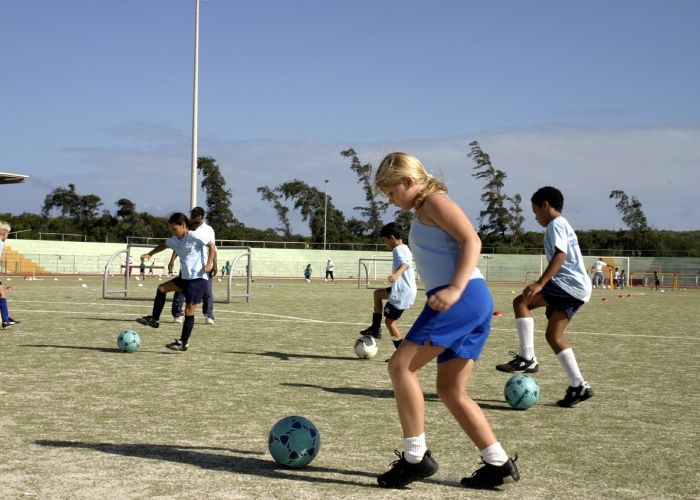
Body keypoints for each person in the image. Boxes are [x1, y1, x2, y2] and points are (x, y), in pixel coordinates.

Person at [373, 152, 519, 490]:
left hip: (461, 298)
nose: (391, 200)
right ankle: (498, 463)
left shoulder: (434, 203)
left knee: (400, 367)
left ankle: (415, 457)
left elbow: (472, 240)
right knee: (451, 390)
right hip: (471, 300)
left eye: (392, 192)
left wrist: (454, 289)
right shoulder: (423, 210)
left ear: (408, 182)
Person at [496, 186, 593, 408]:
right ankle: (579, 385)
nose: (535, 216)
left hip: (569, 284)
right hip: (579, 289)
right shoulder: (563, 224)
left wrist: (541, 283)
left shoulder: (555, 225)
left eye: (535, 211)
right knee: (554, 336)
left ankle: (527, 358)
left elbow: (561, 255)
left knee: (521, 301)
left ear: (545, 205)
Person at [137, 212, 216, 351]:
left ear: (184, 225)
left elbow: (212, 247)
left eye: (175, 228)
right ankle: (154, 319)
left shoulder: (195, 236)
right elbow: (164, 245)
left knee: (188, 311)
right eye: (171, 229)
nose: (173, 232)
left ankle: (183, 343)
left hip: (198, 280)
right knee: (161, 288)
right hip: (184, 278)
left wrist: (210, 264)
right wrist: (150, 254)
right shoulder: (175, 239)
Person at [359, 223, 416, 354]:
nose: (385, 243)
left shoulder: (398, 249)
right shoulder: (405, 248)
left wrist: (397, 274)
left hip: (402, 292)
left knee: (390, 323)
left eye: (385, 240)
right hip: (403, 290)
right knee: (377, 294)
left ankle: (401, 355)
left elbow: (405, 264)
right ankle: (375, 327)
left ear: (391, 237)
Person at [169, 207, 217, 325]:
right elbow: (178, 245)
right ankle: (177, 314)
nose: (193, 218)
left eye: (195, 216)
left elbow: (213, 247)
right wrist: (172, 260)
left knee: (207, 292)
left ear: (201, 217)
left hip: (204, 266)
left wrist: (214, 264)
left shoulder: (208, 230)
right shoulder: (186, 226)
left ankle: (208, 315)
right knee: (180, 290)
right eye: (192, 215)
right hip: (187, 265)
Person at [0, 221, 20, 329]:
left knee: (1, 295)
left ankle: (6, 319)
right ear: (3, 233)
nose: (8, 236)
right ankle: (6, 320)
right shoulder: (0, 243)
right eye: (8, 234)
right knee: (1, 295)